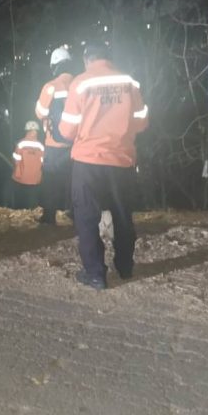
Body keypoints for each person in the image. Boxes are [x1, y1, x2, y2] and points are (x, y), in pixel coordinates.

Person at [58, 43, 149, 290]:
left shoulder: (81, 82)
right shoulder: (130, 82)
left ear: (88, 60)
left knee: (87, 217)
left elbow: (66, 130)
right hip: (122, 160)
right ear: (109, 59)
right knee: (122, 214)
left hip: (88, 161)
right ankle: (126, 267)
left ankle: (96, 274)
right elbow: (141, 123)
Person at [35, 47, 76, 224]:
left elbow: (40, 112)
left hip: (54, 143)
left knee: (51, 180)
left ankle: (49, 216)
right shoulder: (79, 84)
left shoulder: (50, 87)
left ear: (54, 66)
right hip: (77, 143)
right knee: (75, 180)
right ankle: (75, 212)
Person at [11, 120, 45, 209]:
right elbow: (42, 161)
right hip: (35, 178)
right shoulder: (40, 146)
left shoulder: (21, 144)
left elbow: (16, 159)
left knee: (20, 201)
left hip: (21, 177)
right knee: (32, 202)